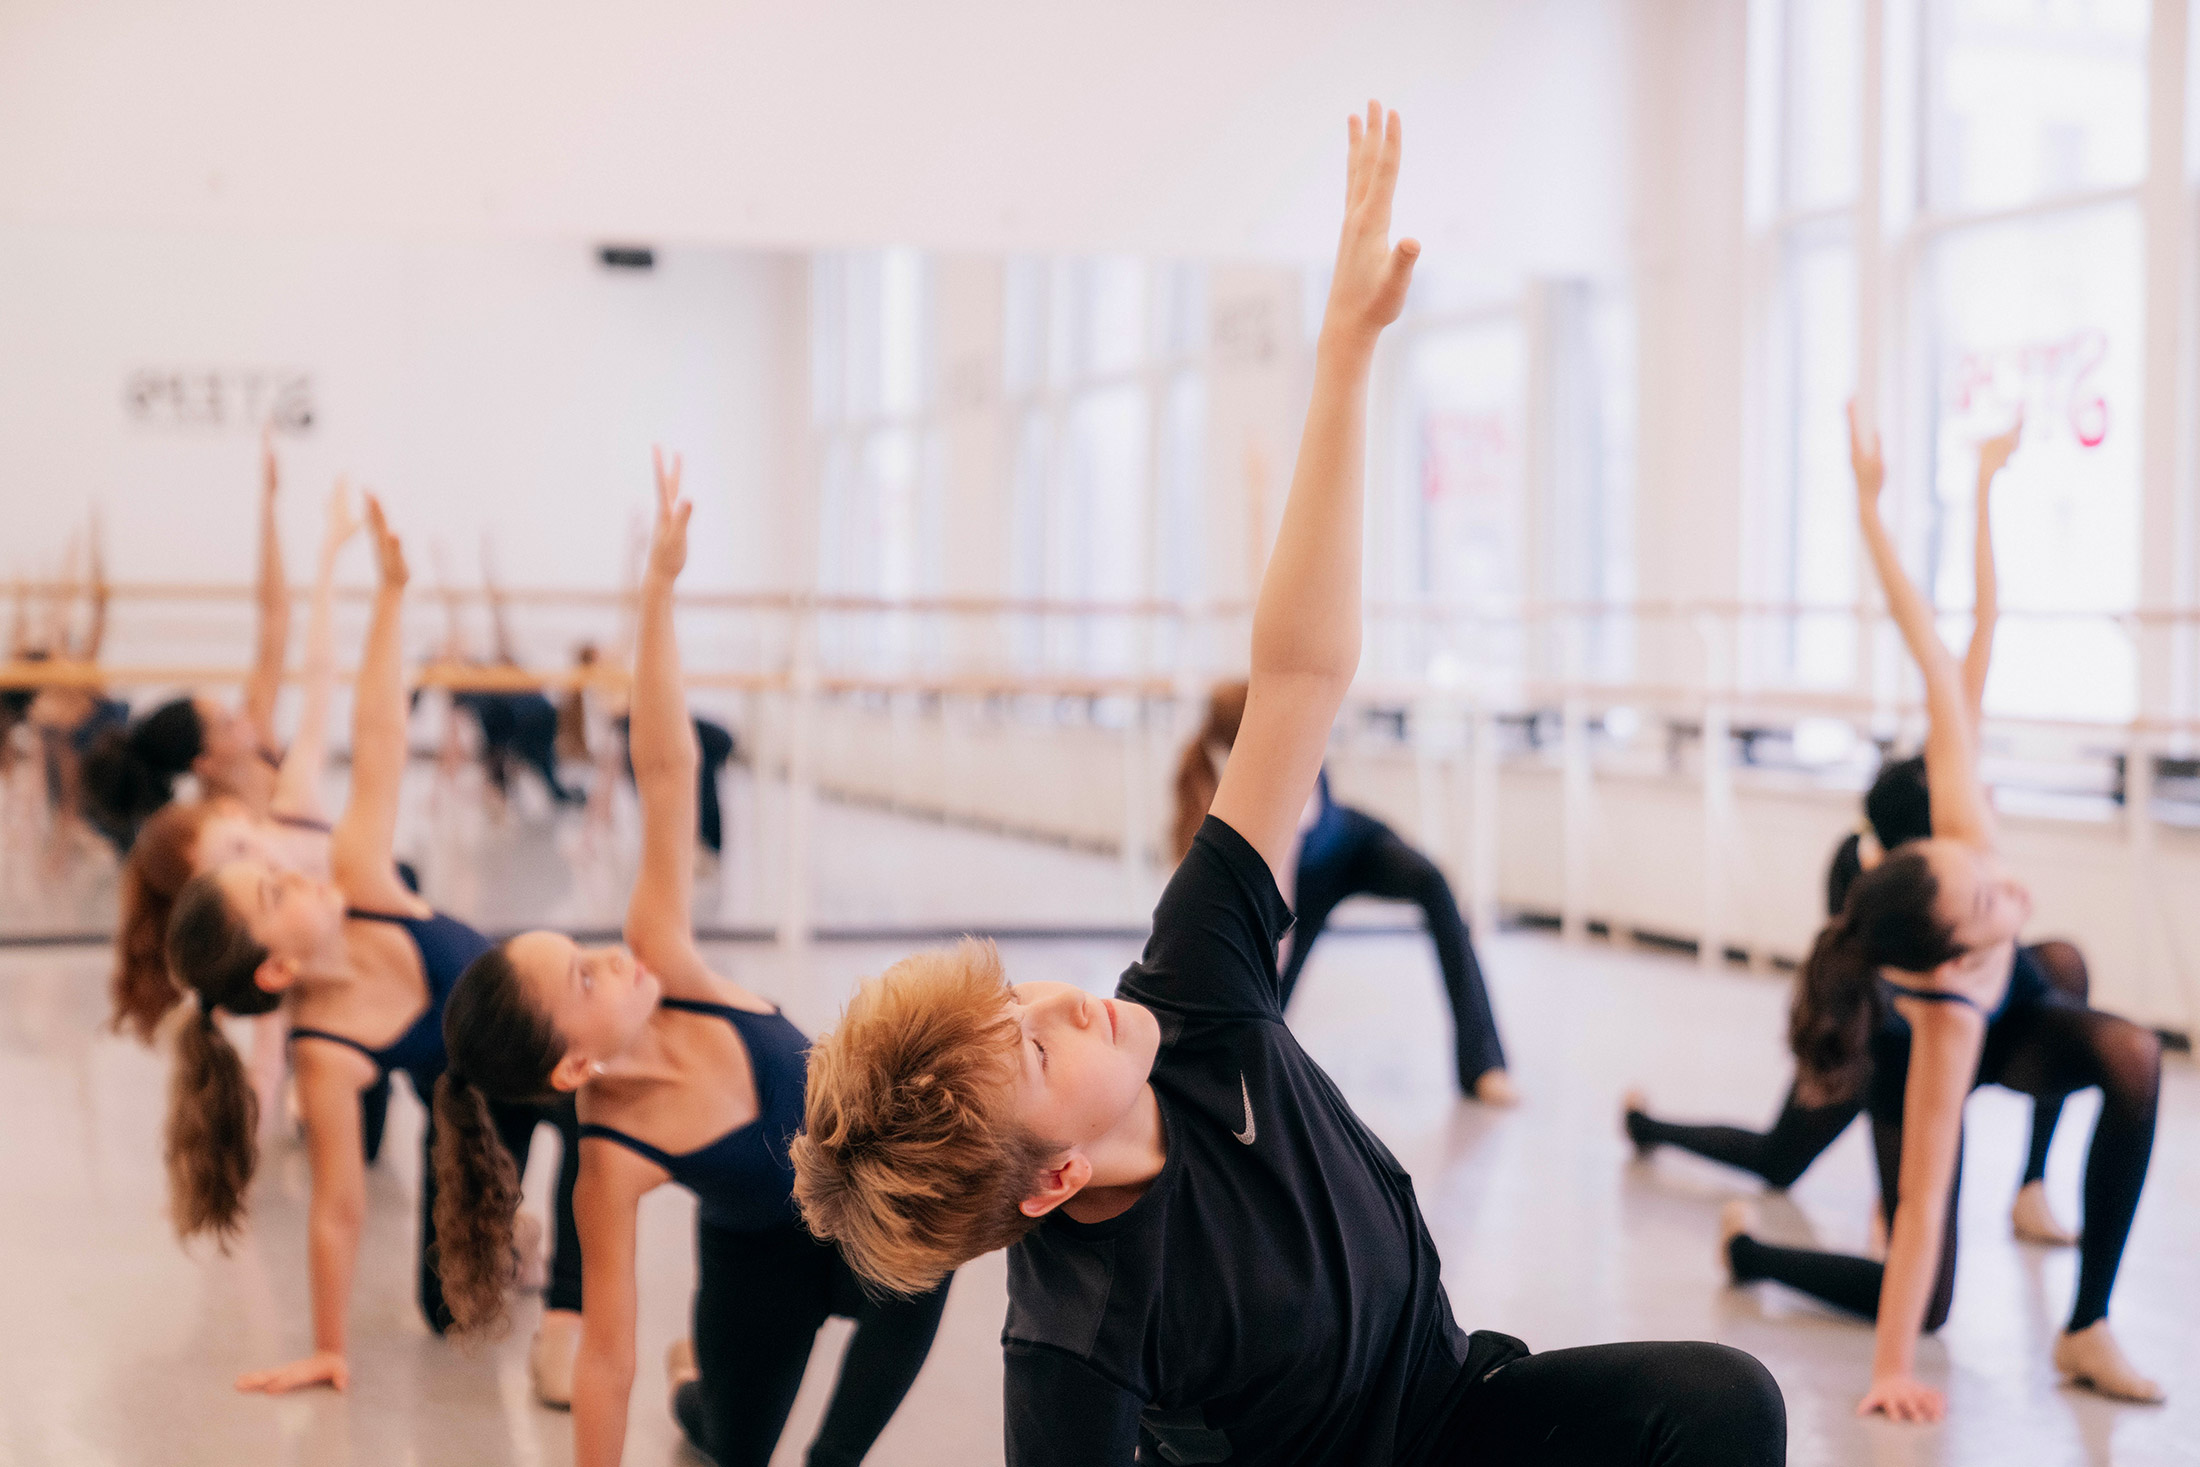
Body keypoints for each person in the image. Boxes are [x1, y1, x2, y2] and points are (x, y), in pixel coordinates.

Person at [792, 105, 1786, 1467]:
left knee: (1722, 1403)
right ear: (1059, 1175)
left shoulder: (1190, 987)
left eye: (1016, 998)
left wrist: (1343, 357)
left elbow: (1301, 671)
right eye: (1034, 1047)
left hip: (1454, 1406)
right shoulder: (1075, 1334)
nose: (1061, 1001)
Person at [432, 449, 948, 1467]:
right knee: (724, 1441)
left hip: (863, 1215)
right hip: (757, 1266)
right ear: (575, 1068)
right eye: (584, 981)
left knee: (929, 1254)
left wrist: (659, 588)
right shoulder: (610, 1159)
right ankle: (698, 1388)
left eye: (581, 949)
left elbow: (665, 769)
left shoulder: (661, 956)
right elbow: (602, 1361)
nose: (606, 960)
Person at [1718, 403, 2164, 1418]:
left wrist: (1896, 505)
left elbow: (1938, 638)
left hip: (2017, 1007)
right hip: (1961, 1039)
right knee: (1924, 1304)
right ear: (1956, 948)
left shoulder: (1957, 820)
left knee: (2121, 1039)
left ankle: (2083, 1318)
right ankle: (1754, 1252)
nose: (2008, 884)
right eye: (1988, 904)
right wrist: (1888, 1376)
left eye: (1984, 873)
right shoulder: (1940, 1023)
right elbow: (1919, 1212)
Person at [158, 495, 583, 1398]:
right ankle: (516, 1230)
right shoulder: (324, 1054)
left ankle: (569, 1317)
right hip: (474, 1113)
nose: (298, 872)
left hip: (556, 1039)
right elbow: (338, 1210)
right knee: (446, 1311)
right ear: (276, 968)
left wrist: (390, 596)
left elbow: (383, 735)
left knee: (589, 1115)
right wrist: (326, 1344)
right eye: (277, 891)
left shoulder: (363, 881)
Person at [1623, 417, 2084, 1244]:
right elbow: (1894, 1052)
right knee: (1778, 1155)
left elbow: (1981, 625)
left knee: (2062, 968)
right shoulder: (1889, 878)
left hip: (1954, 1025)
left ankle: (2032, 1183)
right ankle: (1653, 1132)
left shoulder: (1949, 780)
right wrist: (1897, 1191)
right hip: (1895, 1042)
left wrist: (1975, 488)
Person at [113, 483, 384, 1149]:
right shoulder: (218, 849)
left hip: (365, 932)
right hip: (327, 963)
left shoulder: (277, 784)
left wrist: (311, 540)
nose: (238, 717)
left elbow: (295, 645)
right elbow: (266, 1045)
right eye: (221, 721)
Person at [1173, 681, 1513, 1102]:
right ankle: (1224, 1073)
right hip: (1310, 881)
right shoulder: (1248, 799)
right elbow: (1278, 895)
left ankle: (1485, 1064)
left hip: (1354, 845)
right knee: (1266, 1001)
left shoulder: (1292, 750)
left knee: (1432, 881)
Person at [81, 432, 296, 848]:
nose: (240, 716)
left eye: (228, 712)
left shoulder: (260, 731)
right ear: (205, 763)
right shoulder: (211, 830)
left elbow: (275, 615)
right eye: (226, 723)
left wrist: (269, 503)